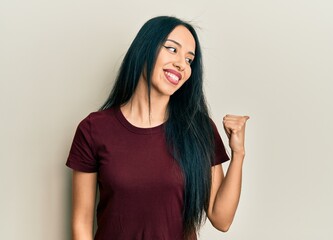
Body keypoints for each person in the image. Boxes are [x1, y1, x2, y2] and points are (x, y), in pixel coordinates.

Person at [66, 16, 249, 240]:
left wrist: (238, 153)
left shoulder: (199, 128)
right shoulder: (94, 129)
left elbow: (221, 219)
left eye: (189, 60)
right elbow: (81, 224)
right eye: (172, 49)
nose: (182, 63)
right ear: (145, 49)